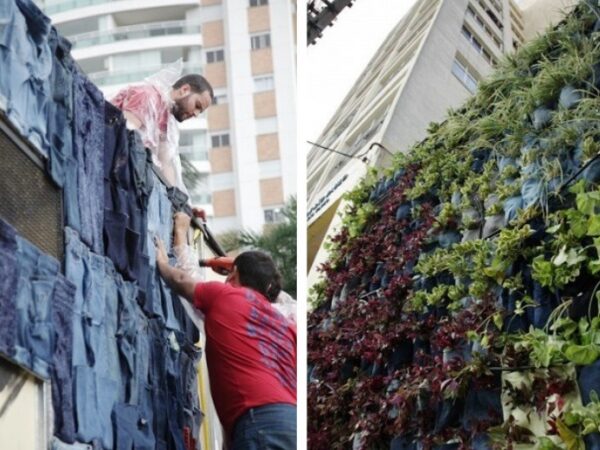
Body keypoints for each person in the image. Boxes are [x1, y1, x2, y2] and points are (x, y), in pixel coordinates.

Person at [153, 212, 297, 450]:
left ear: (235, 275)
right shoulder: (287, 323)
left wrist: (167, 253)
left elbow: (183, 278)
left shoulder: (227, 298)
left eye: (231, 275)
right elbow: (284, 298)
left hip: (260, 425)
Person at [111, 72, 213, 189]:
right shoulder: (148, 97)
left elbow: (165, 162)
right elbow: (123, 134)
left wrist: (177, 201)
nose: (196, 114)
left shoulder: (165, 119)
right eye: (197, 105)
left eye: (200, 111)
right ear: (184, 90)